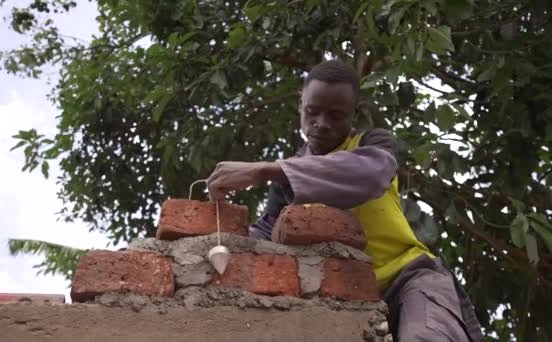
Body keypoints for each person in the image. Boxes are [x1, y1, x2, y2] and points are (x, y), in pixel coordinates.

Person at [206, 60, 483, 342]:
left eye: (336, 115)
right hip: (346, 299)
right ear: (300, 105)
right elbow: (265, 237)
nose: (322, 123)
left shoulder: (374, 144)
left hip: (409, 278)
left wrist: (261, 170)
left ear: (354, 114)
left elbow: (371, 175)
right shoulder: (286, 180)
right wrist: (216, 234)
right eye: (313, 111)